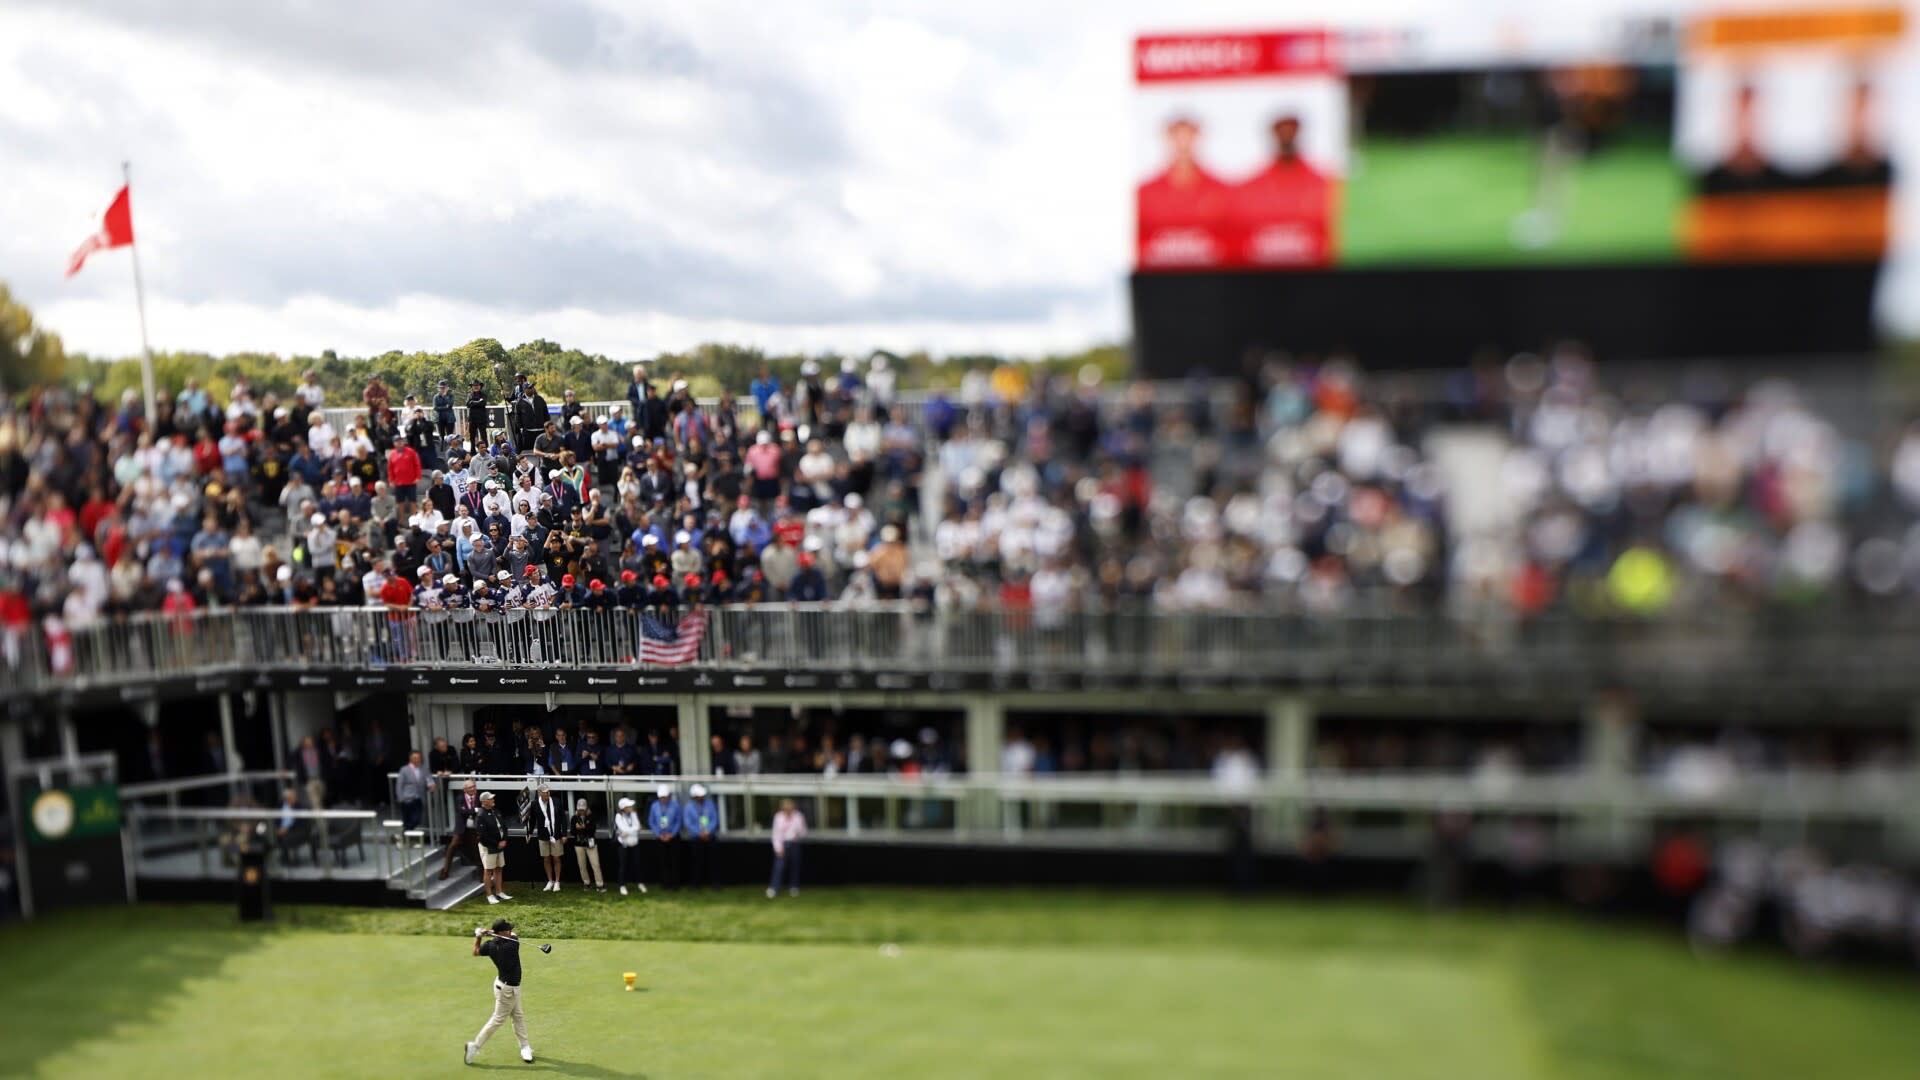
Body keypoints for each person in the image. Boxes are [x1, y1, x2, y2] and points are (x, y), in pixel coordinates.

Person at [466, 918, 535, 1065]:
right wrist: (491, 933)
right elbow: (514, 935)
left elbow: (476, 951)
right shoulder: (512, 944)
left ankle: (525, 1047)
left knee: (518, 1016)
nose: (510, 931)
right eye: (507, 929)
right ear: (502, 933)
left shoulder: (491, 945)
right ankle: (474, 1046)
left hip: (503, 985)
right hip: (508, 990)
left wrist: (479, 936)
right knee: (497, 1020)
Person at [525, 781, 566, 892]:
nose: (547, 794)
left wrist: (564, 834)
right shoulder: (535, 804)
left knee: (556, 858)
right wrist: (529, 832)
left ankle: (557, 881)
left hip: (555, 835)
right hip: (542, 836)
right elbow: (533, 819)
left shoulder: (557, 802)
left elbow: (563, 818)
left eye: (548, 792)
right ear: (539, 793)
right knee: (546, 858)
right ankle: (550, 881)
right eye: (545, 793)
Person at [475, 790, 512, 904]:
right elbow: (482, 836)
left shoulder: (496, 811)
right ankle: (489, 895)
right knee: (488, 870)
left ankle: (499, 892)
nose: (493, 800)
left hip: (500, 845)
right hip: (489, 847)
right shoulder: (481, 815)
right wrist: (497, 843)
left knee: (499, 868)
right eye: (490, 799)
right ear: (484, 801)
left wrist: (505, 839)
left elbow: (504, 827)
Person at [441, 779, 481, 881]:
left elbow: (480, 811)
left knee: (478, 849)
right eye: (470, 787)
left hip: (474, 828)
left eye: (474, 787)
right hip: (462, 827)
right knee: (452, 845)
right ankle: (445, 871)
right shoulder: (459, 798)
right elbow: (461, 811)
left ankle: (481, 873)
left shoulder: (479, 797)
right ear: (465, 789)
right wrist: (474, 810)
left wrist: (471, 811)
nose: (473, 789)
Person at [768, 797, 806, 898]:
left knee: (795, 866)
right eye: (786, 809)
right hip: (782, 844)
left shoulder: (798, 816)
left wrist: (798, 830)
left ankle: (794, 887)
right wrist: (778, 848)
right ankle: (774, 888)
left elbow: (803, 833)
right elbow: (776, 834)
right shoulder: (778, 817)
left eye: (790, 808)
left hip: (794, 844)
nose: (788, 811)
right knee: (779, 867)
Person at [682, 783, 718, 889]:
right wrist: (699, 833)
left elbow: (714, 819)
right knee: (696, 862)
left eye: (702, 795)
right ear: (694, 797)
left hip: (710, 836)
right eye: (699, 796)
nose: (702, 797)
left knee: (713, 861)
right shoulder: (689, 807)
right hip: (696, 838)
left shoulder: (710, 804)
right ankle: (696, 884)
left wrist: (708, 831)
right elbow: (688, 823)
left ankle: (715, 883)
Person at [647, 783, 681, 890]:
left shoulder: (675, 805)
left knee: (674, 861)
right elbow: (651, 821)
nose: (663, 798)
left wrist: (672, 834)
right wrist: (659, 834)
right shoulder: (654, 806)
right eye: (661, 797)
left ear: (669, 796)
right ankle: (665, 884)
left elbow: (678, 821)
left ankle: (675, 884)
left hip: (673, 837)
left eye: (665, 796)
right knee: (663, 861)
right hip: (660, 838)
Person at [611, 796, 648, 896]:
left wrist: (629, 830)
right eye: (629, 806)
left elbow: (636, 827)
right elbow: (625, 829)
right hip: (623, 844)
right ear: (624, 808)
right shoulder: (618, 816)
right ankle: (622, 886)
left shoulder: (634, 814)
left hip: (634, 843)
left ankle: (640, 883)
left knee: (637, 864)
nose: (632, 807)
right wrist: (633, 829)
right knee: (623, 865)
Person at [569, 798, 605, 893]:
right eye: (580, 809)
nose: (581, 811)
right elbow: (572, 832)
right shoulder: (574, 818)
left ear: (586, 808)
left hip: (590, 844)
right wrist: (577, 829)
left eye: (583, 809)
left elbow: (593, 831)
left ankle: (600, 885)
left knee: (595, 864)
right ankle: (586, 883)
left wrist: (585, 827)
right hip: (578, 844)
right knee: (582, 865)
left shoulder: (592, 817)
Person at [396, 749, 434, 831]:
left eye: (418, 758)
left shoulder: (424, 769)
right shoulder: (404, 769)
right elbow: (399, 785)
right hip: (406, 799)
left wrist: (431, 785)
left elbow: (429, 779)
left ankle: (404, 833)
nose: (417, 759)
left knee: (417, 819)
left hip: (419, 798)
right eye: (415, 758)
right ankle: (407, 836)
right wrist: (401, 798)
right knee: (407, 819)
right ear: (411, 759)